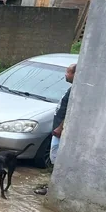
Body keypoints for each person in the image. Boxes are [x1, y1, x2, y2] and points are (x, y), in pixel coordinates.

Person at [35, 63, 76, 195]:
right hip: (58, 130)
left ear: (75, 74)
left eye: (68, 72)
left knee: (56, 158)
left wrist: (60, 127)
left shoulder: (75, 92)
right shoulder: (72, 89)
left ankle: (53, 187)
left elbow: (70, 111)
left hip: (60, 131)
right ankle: (52, 184)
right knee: (54, 158)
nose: (65, 74)